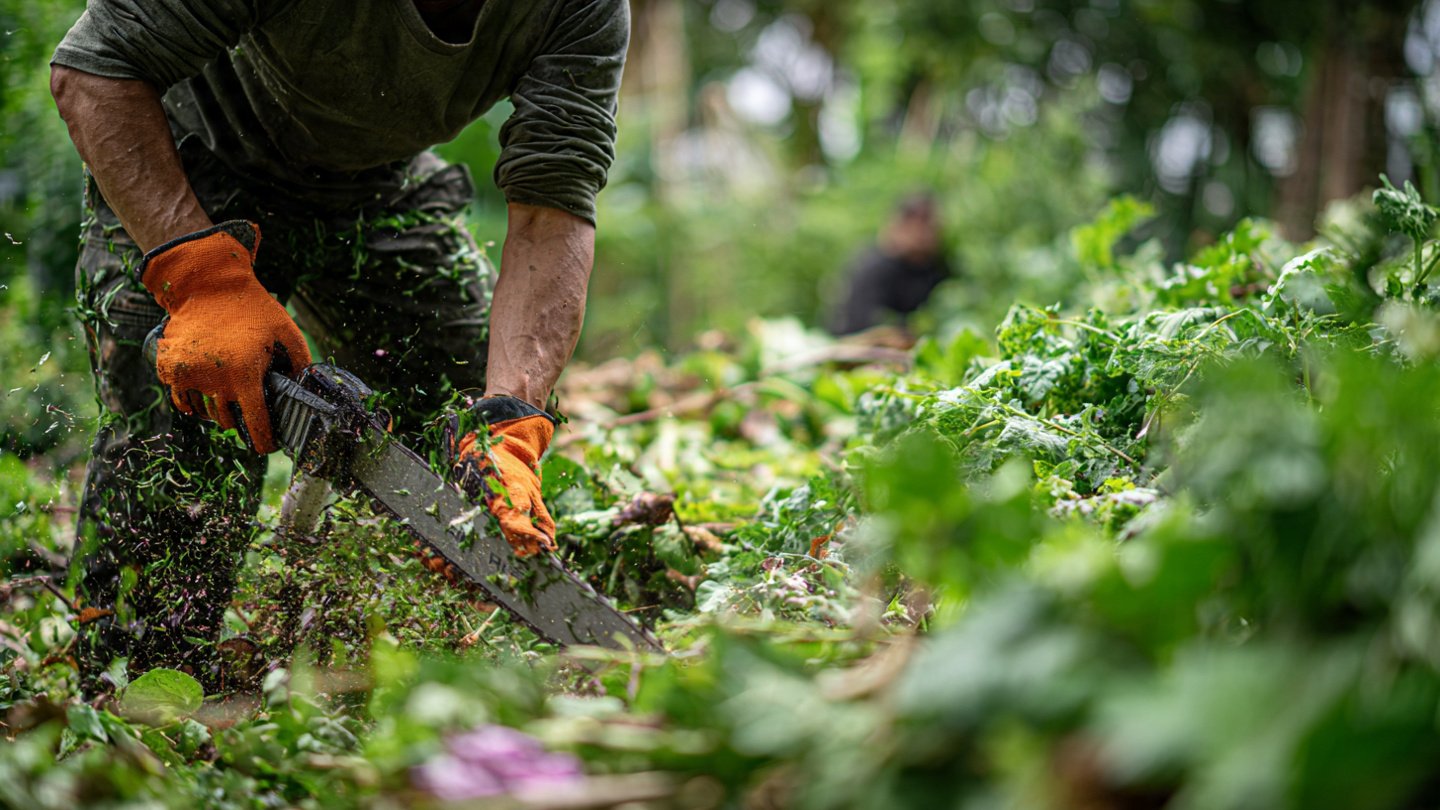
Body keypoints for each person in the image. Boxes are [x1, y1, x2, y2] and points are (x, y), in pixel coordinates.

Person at [49, 0, 628, 690]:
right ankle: (135, 700)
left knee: (453, 418)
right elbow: (96, 68)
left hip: (378, 181)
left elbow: (553, 202)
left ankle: (386, 657)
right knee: (179, 451)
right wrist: (200, 281)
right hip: (191, 157)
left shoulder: (582, 11)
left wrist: (509, 417)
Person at [830, 193, 952, 336]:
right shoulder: (873, 268)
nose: (925, 235)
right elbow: (860, 323)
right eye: (919, 226)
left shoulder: (936, 268)